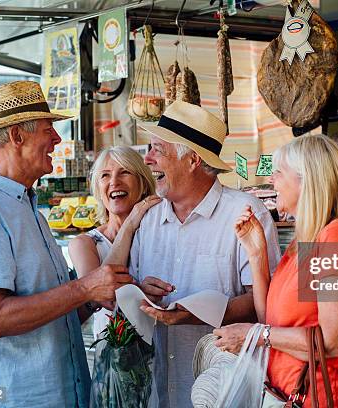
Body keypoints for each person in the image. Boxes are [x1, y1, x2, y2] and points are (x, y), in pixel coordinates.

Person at [0, 81, 133, 407]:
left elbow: (51, 312)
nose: (57, 139)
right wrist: (85, 288)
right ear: (17, 136)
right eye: (49, 129)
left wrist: (106, 295)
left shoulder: (27, 208)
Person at [119, 100, 282, 408]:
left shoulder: (247, 213)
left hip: (223, 390)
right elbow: (130, 291)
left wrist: (199, 313)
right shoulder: (149, 218)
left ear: (193, 160)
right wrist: (140, 292)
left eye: (157, 149)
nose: (148, 159)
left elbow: (266, 304)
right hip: (158, 389)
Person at [214, 135, 338, 407]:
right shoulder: (303, 242)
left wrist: (253, 335)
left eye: (279, 173)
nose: (272, 180)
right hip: (291, 397)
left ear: (306, 180)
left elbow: (331, 342)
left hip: (329, 397)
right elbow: (271, 321)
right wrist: (257, 254)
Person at [68, 146, 161, 340]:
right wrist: (129, 225)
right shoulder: (85, 244)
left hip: (164, 345)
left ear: (143, 183)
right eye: (105, 175)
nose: (114, 182)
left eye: (124, 172)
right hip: (116, 357)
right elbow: (102, 295)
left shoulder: (159, 233)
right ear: (98, 189)